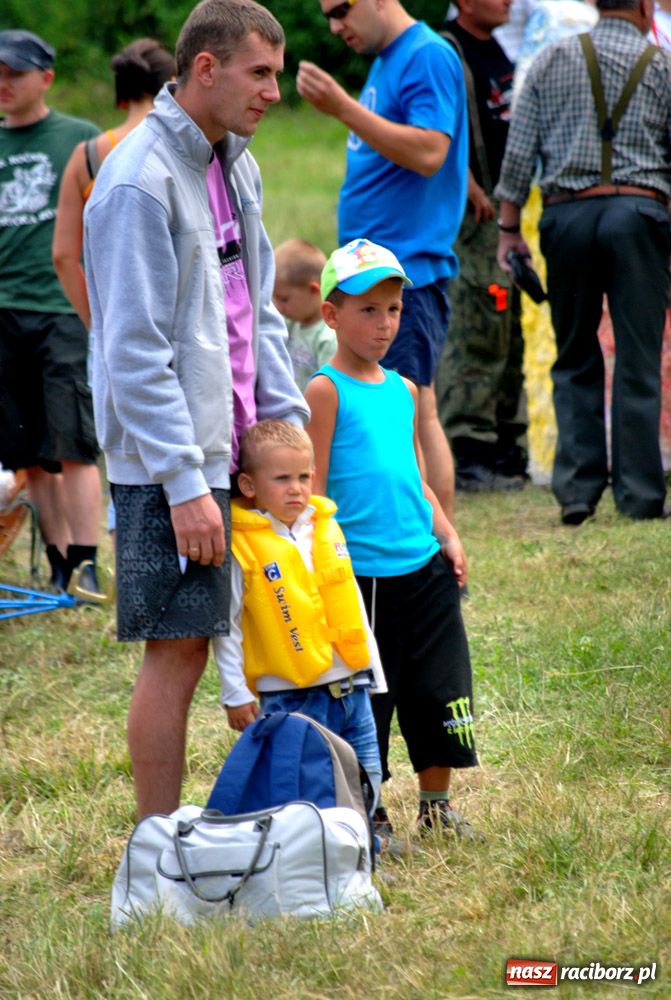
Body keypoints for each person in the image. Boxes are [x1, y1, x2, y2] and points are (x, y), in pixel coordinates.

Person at [83, 0, 309, 818]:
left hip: (236, 444)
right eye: (260, 73)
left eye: (278, 75)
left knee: (266, 637)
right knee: (176, 653)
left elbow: (257, 310)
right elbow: (131, 353)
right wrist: (183, 484)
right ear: (204, 70)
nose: (274, 93)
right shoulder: (138, 181)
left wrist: (283, 426)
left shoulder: (233, 162)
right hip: (170, 464)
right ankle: (155, 847)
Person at [305, 239, 480, 840]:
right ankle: (370, 814)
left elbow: (417, 480)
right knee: (368, 704)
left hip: (422, 568)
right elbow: (316, 489)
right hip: (364, 577)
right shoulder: (324, 391)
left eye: (394, 310)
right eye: (368, 310)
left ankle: (438, 806)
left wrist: (448, 536)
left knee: (440, 690)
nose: (384, 324)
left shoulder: (403, 390)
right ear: (331, 314)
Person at [496, 0, 671, 523]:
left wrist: (509, 232)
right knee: (639, 359)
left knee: (573, 354)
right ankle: (640, 495)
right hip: (640, 214)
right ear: (643, 7)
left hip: (566, 217)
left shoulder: (551, 59)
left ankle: (577, 490)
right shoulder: (661, 65)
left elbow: (519, 150)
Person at [296, 0, 469, 524]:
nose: (334, 24)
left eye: (341, 9)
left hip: (403, 275)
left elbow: (430, 151)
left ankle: (433, 550)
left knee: (416, 414)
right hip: (371, 276)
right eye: (327, 13)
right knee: (397, 411)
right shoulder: (387, 60)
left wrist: (343, 107)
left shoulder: (426, 54)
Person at [214, 419, 385, 807]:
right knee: (309, 790)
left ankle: (357, 857)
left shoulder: (326, 529)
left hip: (352, 688)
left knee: (365, 778)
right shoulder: (242, 548)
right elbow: (227, 626)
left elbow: (352, 602)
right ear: (249, 486)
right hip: (291, 698)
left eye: (304, 476)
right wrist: (235, 693)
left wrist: (372, 669)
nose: (296, 488)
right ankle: (315, 862)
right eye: (282, 478)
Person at [0, 29, 103, 595]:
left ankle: (88, 563)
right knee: (28, 451)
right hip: (4, 310)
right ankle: (61, 561)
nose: (4, 84)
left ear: (46, 77)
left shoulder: (79, 139)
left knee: (74, 442)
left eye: (14, 72)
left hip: (62, 306)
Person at [436, 0, 529, 492]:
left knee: (507, 330)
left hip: (504, 214)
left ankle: (506, 449)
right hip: (473, 217)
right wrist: (468, 183)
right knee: (476, 327)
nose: (509, 1)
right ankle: (469, 452)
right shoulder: (448, 50)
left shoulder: (495, 46)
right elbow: (437, 129)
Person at [53, 38, 176, 330]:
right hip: (177, 317)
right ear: (172, 82)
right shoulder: (183, 147)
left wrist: (98, 325)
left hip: (117, 319)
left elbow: (63, 256)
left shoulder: (87, 156)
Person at [273, 238, 337, 391]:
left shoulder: (328, 338)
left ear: (314, 290)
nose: (278, 307)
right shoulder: (291, 323)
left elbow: (332, 389)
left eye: (284, 299)